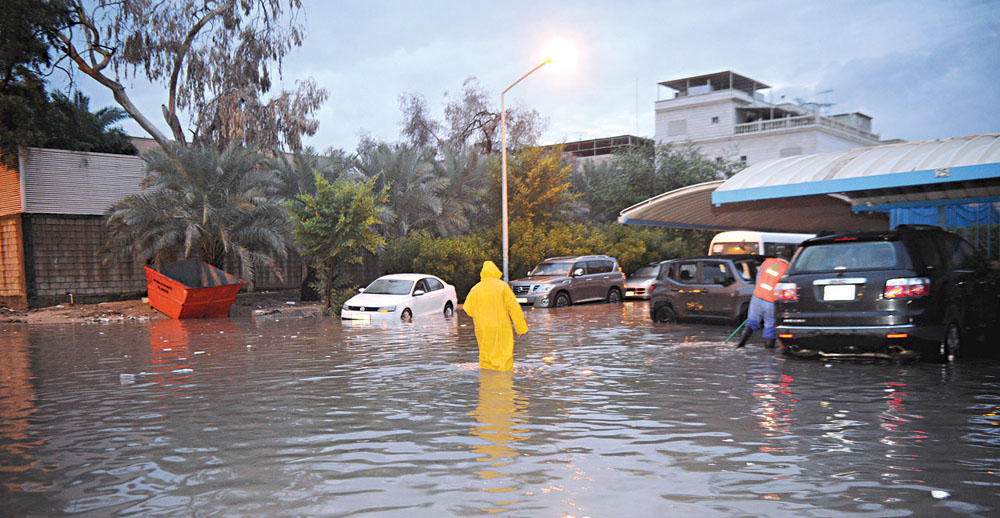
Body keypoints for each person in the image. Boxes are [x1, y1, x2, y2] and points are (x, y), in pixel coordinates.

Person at [463, 261, 529, 371]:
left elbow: (468, 309)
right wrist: (521, 328)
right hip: (501, 328)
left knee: (486, 357)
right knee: (504, 355)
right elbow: (514, 308)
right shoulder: (502, 286)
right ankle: (504, 384)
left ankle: (487, 384)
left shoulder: (475, 289)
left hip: (483, 329)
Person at [736, 247, 793, 349]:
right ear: (791, 257)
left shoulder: (767, 262)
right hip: (771, 301)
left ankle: (741, 343)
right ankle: (769, 349)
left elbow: (758, 278)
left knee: (751, 321)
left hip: (757, 297)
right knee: (770, 325)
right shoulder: (787, 269)